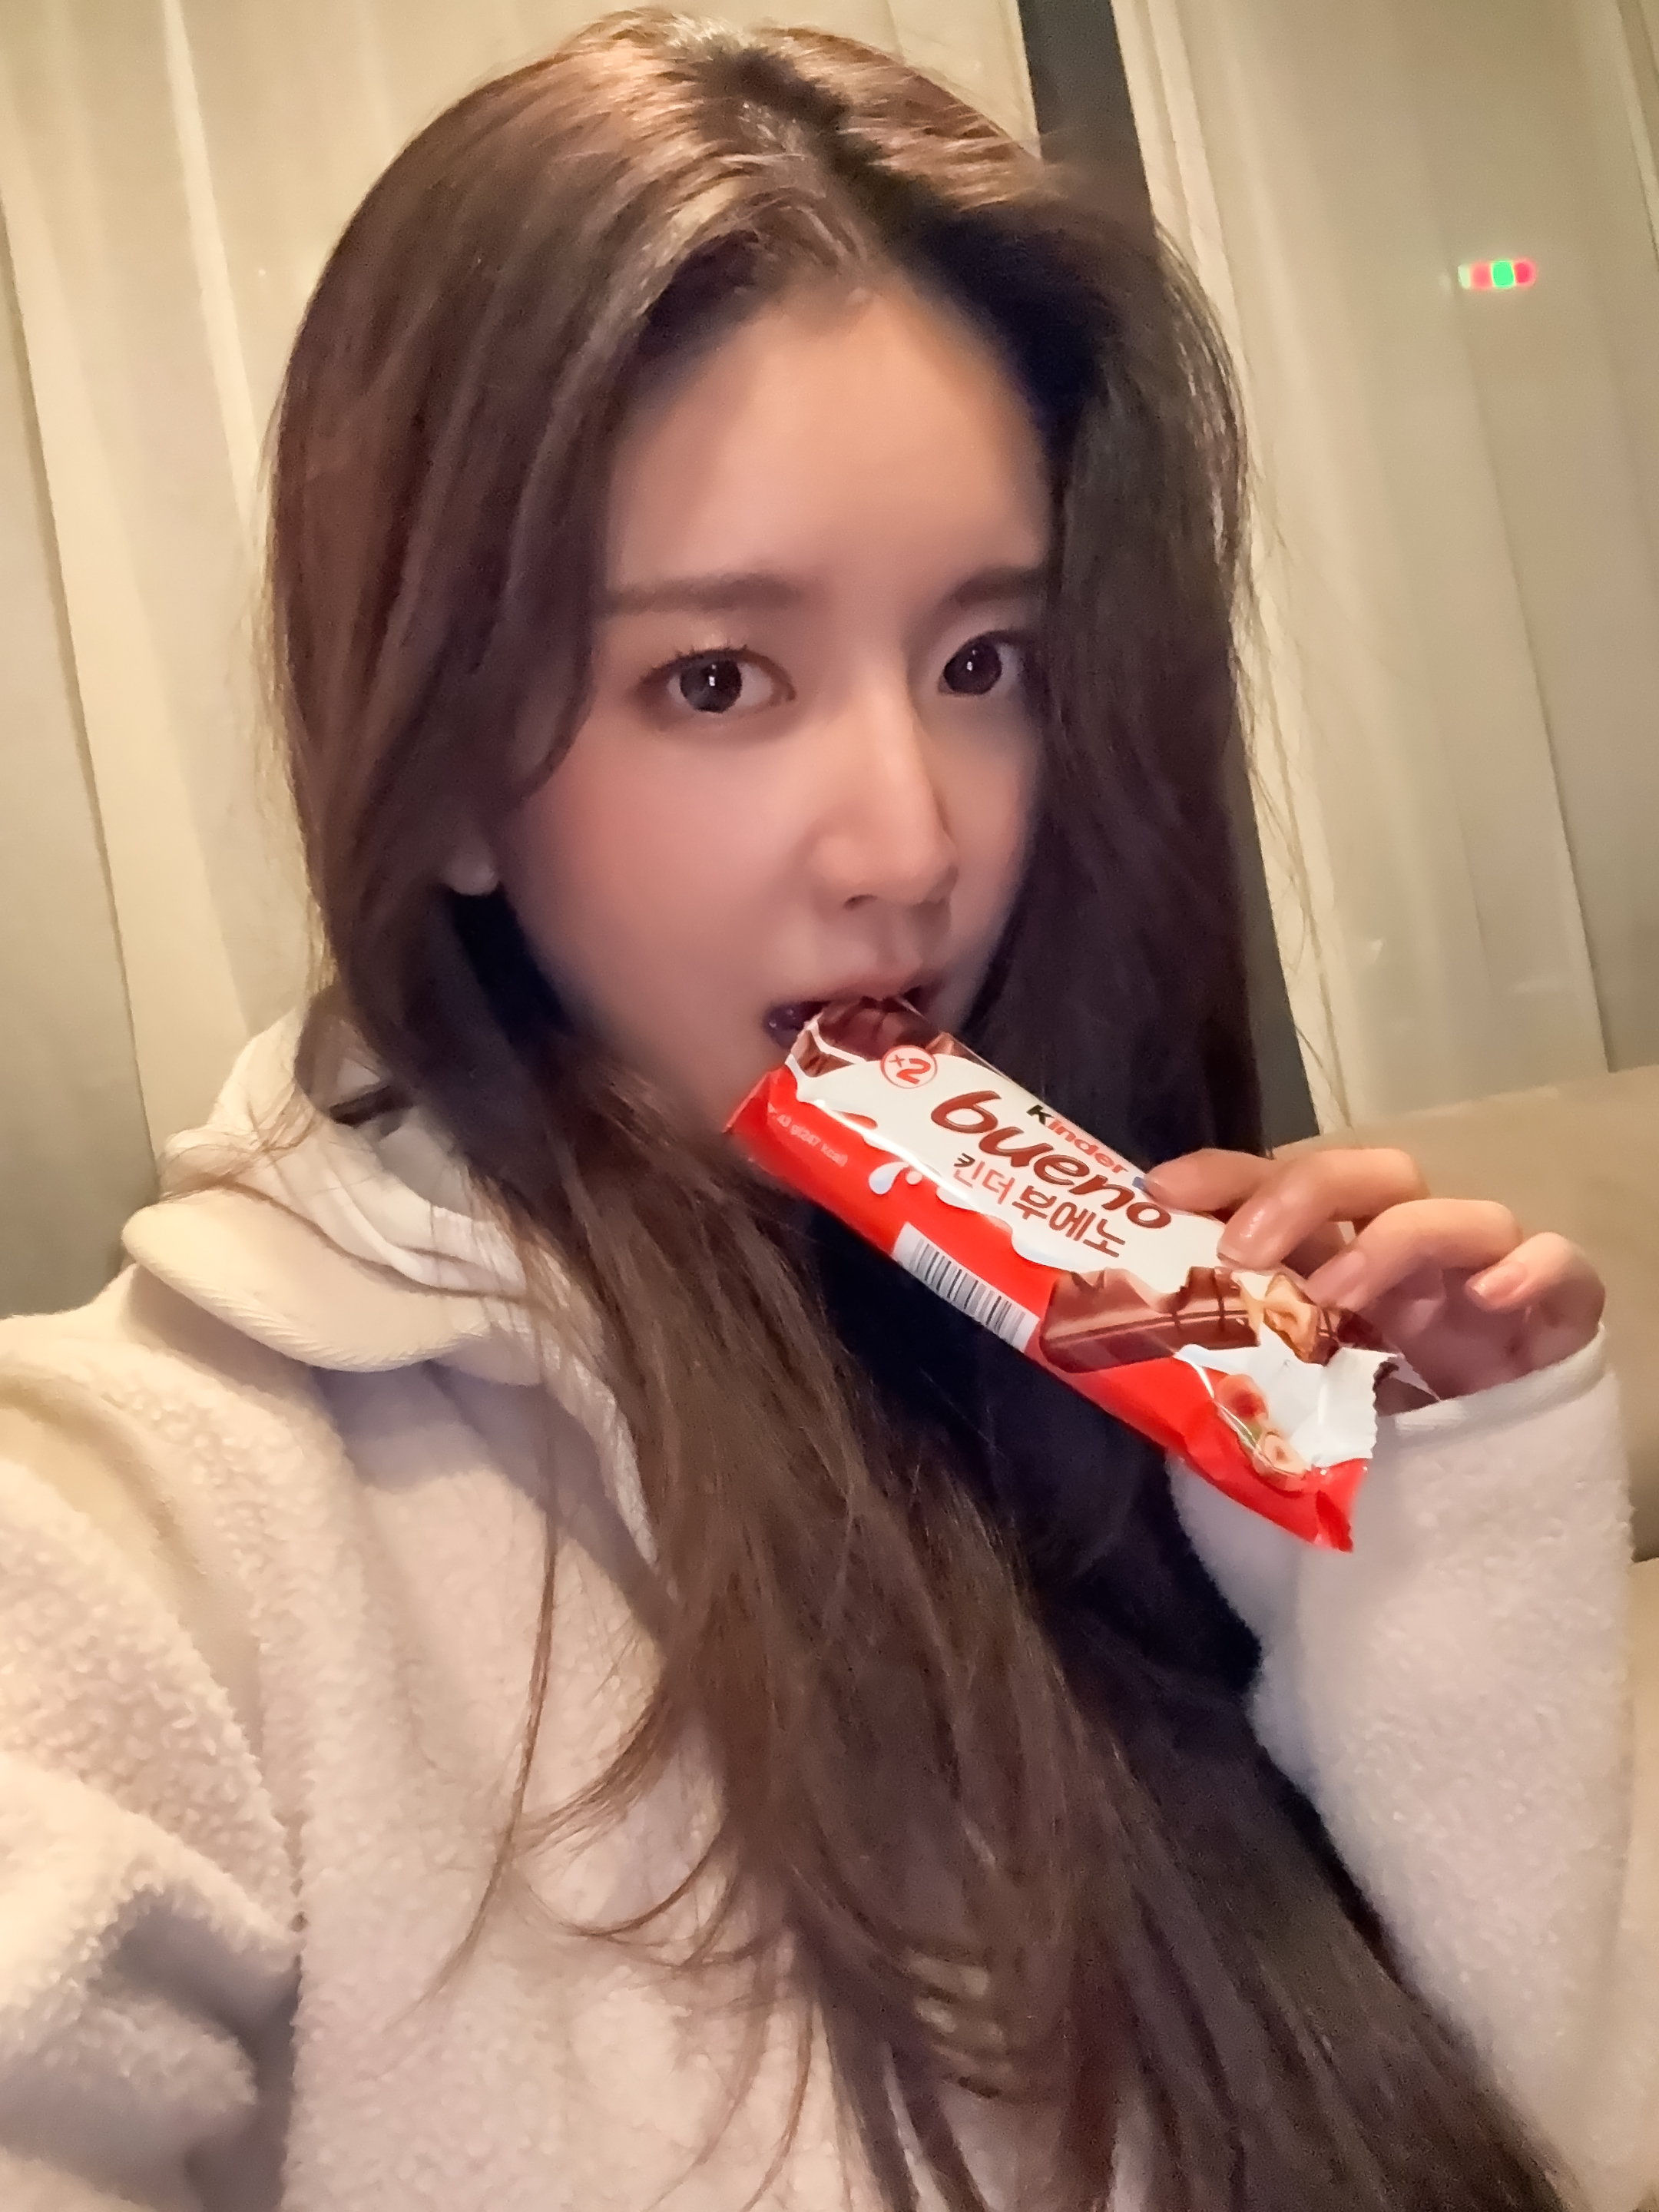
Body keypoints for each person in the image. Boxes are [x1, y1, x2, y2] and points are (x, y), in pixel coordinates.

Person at [0, 11, 1652, 2209]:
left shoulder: (1080, 1356)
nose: (913, 843)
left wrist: (1419, 1528)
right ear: (453, 766)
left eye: (983, 663)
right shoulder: (143, 1524)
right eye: (717, 678)